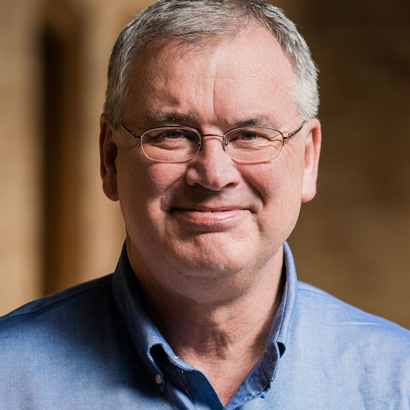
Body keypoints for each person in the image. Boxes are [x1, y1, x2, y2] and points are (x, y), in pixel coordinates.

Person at [1, 0, 409, 408]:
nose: (214, 174)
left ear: (307, 160)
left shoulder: (397, 379)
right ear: (110, 157)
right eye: (172, 133)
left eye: (250, 134)